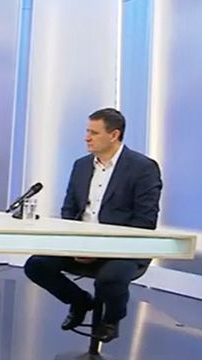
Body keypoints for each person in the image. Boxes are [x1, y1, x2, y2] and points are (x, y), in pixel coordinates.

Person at [23, 108, 162, 342]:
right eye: (87, 131)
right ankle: (80, 301)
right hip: (81, 244)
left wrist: (100, 249)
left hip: (124, 248)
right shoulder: (81, 165)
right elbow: (69, 211)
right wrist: (75, 244)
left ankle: (111, 320)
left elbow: (144, 222)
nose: (86, 137)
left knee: (109, 278)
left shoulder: (143, 168)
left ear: (114, 135)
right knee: (36, 265)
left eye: (94, 133)